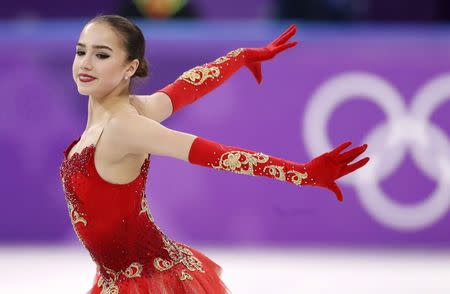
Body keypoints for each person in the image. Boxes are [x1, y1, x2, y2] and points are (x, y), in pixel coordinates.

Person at [59, 14, 370, 294]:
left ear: (130, 67)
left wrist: (300, 173)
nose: (85, 63)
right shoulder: (128, 111)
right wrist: (241, 58)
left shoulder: (125, 126)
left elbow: (217, 154)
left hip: (151, 281)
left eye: (101, 55)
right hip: (116, 278)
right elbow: (185, 88)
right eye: (81, 51)